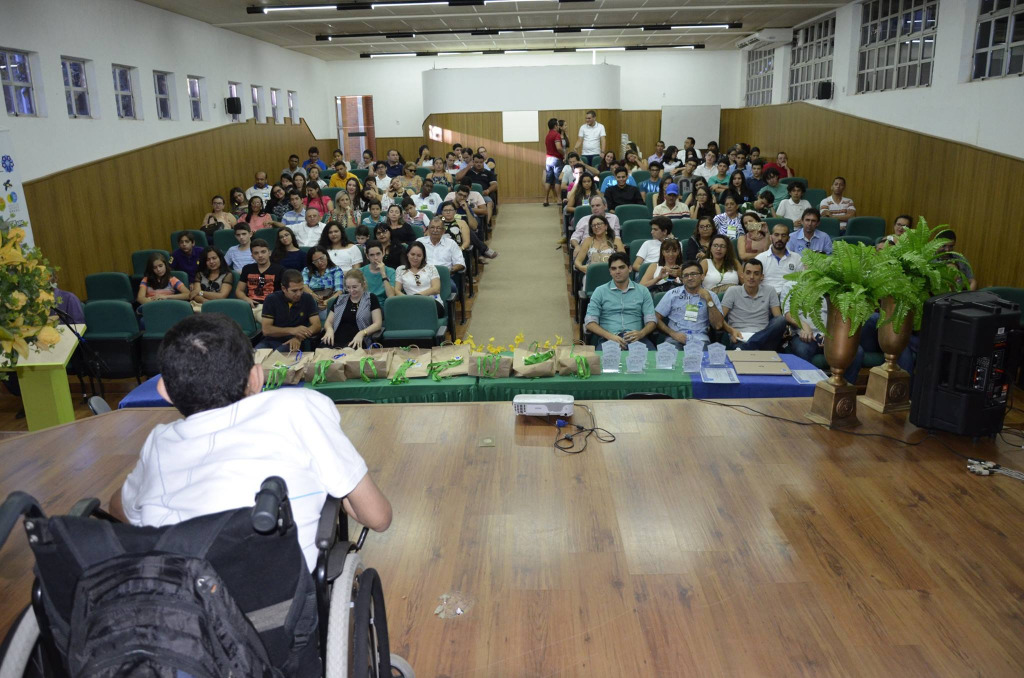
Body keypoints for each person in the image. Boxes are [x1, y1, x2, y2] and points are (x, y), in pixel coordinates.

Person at [111, 312, 391, 572]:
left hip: (181, 596)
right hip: (282, 596)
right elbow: (378, 517)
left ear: (164, 391)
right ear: (256, 378)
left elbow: (119, 509)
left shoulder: (159, 442)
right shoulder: (299, 407)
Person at [583, 252, 657, 350]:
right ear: (610, 271)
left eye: (621, 267)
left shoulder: (643, 291)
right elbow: (589, 322)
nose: (617, 271)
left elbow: (651, 321)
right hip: (609, 339)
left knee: (654, 359)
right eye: (613, 269)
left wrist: (641, 333)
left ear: (630, 268)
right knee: (603, 360)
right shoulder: (600, 291)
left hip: (637, 339)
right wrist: (610, 336)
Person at [787, 297, 864, 383]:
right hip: (804, 335)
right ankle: (808, 387)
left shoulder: (833, 291)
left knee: (857, 351)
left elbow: (842, 313)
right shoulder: (790, 288)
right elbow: (788, 314)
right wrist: (804, 326)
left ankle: (844, 387)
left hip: (831, 333)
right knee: (802, 349)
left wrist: (831, 332)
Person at [655, 259, 725, 348]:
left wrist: (708, 300)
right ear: (682, 279)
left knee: (704, 356)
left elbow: (718, 325)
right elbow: (655, 318)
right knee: (670, 355)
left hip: (700, 340)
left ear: (702, 276)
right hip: (675, 339)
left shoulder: (711, 296)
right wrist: (672, 333)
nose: (690, 278)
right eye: (686, 275)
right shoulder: (672, 294)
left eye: (693, 274)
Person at [720, 260, 787, 351]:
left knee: (781, 320)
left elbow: (777, 318)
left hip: (764, 338)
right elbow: (719, 319)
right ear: (742, 275)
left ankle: (748, 347)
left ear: (762, 276)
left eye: (756, 274)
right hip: (740, 337)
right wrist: (731, 331)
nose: (751, 277)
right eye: (748, 273)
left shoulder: (770, 291)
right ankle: (749, 347)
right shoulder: (732, 291)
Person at [254, 268, 321, 352]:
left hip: (294, 341)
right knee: (254, 356)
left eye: (301, 289)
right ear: (284, 288)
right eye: (294, 291)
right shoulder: (271, 299)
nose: (299, 294)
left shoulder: (308, 298)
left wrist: (299, 337)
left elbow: (317, 325)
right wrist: (292, 330)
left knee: (278, 356)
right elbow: (266, 330)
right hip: (270, 340)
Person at [322, 269, 384, 350]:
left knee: (347, 352)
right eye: (348, 287)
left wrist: (362, 333)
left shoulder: (371, 298)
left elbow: (378, 324)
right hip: (335, 338)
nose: (351, 290)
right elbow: (328, 322)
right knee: (322, 351)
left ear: (363, 284)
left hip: (357, 340)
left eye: (354, 287)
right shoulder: (340, 299)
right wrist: (329, 330)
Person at [756, 223, 804, 304]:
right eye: (776, 235)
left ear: (788, 239)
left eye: (783, 235)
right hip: (766, 299)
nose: (780, 238)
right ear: (771, 237)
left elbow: (801, 281)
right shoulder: (760, 258)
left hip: (790, 299)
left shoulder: (797, 258)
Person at [235, 239, 283, 316]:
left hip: (270, 307)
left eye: (263, 252)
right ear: (252, 256)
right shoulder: (247, 269)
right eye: (256, 253)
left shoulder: (280, 270)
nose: (260, 255)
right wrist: (246, 299)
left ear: (269, 253)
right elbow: (239, 290)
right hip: (250, 306)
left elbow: (284, 292)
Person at [417, 217, 465, 295]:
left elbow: (460, 263)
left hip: (443, 277)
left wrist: (449, 271)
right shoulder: (420, 242)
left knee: (452, 288)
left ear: (443, 231)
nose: (435, 230)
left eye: (438, 228)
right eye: (432, 227)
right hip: (422, 275)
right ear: (428, 229)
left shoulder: (451, 243)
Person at [395, 241, 444, 316]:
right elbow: (397, 291)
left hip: (432, 302)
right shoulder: (400, 269)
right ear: (407, 254)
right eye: (412, 254)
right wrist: (409, 300)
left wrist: (417, 297)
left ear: (423, 257)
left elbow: (436, 289)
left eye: (419, 255)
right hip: (410, 304)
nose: (415, 258)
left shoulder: (431, 268)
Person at [574, 214, 624, 282]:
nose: (596, 227)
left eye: (599, 224)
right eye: (593, 225)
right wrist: (581, 267)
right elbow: (577, 261)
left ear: (606, 226)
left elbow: (624, 260)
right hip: (592, 273)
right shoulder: (588, 241)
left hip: (612, 274)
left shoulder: (616, 241)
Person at [302, 245, 343, 322]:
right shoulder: (307, 270)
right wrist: (313, 295)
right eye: (315, 261)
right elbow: (304, 286)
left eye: (322, 258)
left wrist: (327, 302)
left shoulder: (336, 270)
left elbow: (339, 291)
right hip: (312, 302)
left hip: (330, 302)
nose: (320, 263)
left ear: (326, 256)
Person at [361, 239, 397, 307]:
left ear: (383, 253)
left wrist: (383, 274)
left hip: (385, 306)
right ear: (367, 256)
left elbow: (391, 296)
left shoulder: (391, 271)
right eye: (372, 255)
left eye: (378, 254)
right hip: (366, 305)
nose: (376, 258)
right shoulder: (360, 272)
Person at [544, 117, 564, 207]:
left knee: (548, 180)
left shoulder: (547, 135)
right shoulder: (557, 135)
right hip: (556, 159)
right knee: (557, 180)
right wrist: (564, 154)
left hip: (548, 159)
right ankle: (559, 199)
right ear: (555, 126)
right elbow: (559, 147)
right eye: (558, 125)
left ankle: (545, 199)